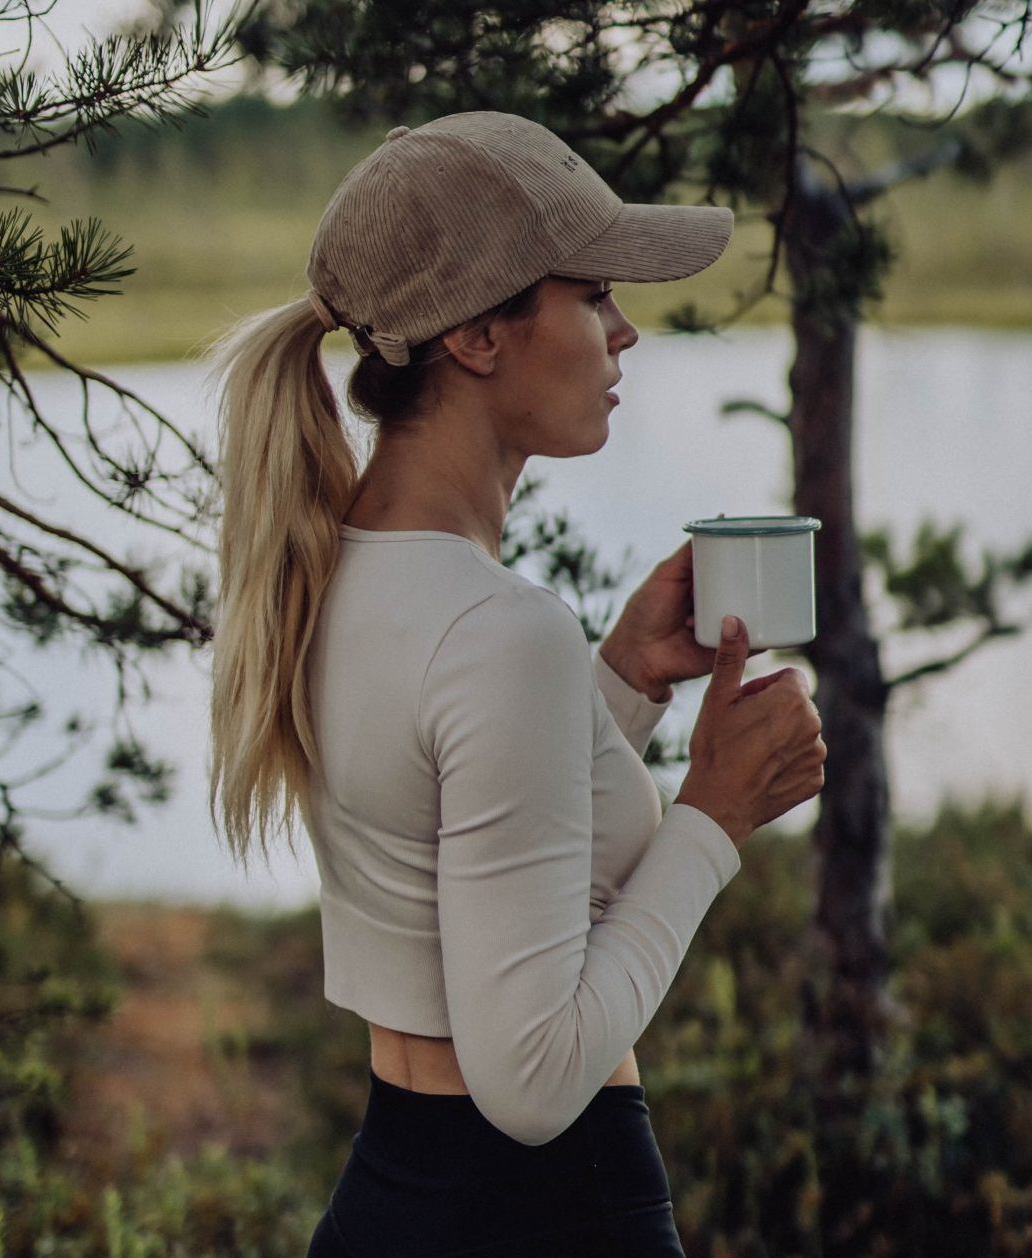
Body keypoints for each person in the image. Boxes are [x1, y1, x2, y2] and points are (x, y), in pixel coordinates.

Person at [203, 111, 827, 1257]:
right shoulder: (497, 629)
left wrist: (623, 683)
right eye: (591, 296)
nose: (624, 331)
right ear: (479, 339)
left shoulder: (330, 566)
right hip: (545, 1211)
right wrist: (715, 815)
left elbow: (448, 821)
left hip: (390, 1198)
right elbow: (532, 1080)